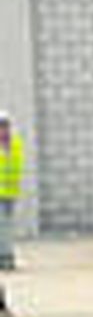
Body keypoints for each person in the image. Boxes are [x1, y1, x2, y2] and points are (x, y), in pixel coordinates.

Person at [0, 108, 24, 272]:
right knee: (2, 225)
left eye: (5, 126)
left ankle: (8, 256)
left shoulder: (16, 144)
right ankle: (4, 256)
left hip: (11, 192)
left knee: (8, 226)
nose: (3, 130)